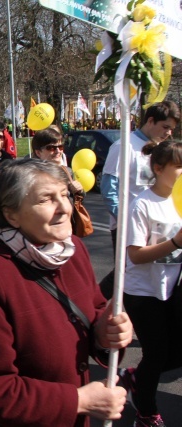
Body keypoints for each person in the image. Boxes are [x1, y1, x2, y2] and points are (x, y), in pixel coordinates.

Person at [0, 158, 133, 427]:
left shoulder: (73, 250)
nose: (64, 208)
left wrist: (104, 333)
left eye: (65, 195)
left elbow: (94, 310)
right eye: (46, 199)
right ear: (11, 214)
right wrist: (78, 401)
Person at [120, 140, 182, 427]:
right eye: (179, 166)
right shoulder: (142, 203)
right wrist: (175, 242)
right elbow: (135, 254)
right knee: (156, 354)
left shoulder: (179, 200)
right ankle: (146, 412)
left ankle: (136, 377)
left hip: (172, 290)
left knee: (173, 353)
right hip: (143, 292)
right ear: (159, 168)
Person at [100, 101, 180, 297]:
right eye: (165, 127)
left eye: (172, 129)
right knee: (125, 270)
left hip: (159, 221)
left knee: (157, 268)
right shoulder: (124, 146)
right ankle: (95, 304)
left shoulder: (163, 150)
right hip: (130, 222)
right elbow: (109, 189)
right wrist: (125, 221)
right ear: (150, 121)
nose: (168, 133)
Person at [31, 127, 84, 195]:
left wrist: (79, 190)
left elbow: (77, 199)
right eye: (51, 148)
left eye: (60, 147)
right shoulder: (31, 176)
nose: (58, 151)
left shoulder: (67, 172)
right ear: (38, 152)